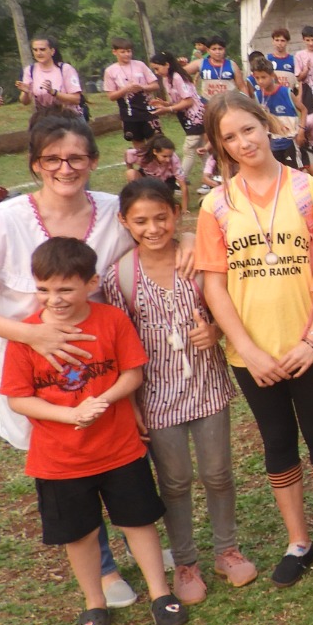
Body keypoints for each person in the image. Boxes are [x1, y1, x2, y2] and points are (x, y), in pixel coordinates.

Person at [0, 115, 167, 607]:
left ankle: (142, 546)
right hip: (37, 367)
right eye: (53, 158)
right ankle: (101, 571)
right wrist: (31, 335)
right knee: (67, 469)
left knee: (120, 460)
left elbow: (155, 240)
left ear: (93, 161)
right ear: (35, 164)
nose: (65, 167)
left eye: (76, 157)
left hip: (111, 361)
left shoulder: (111, 211)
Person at [0, 236, 188, 625]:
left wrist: (97, 402)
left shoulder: (111, 321)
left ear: (91, 283)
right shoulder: (26, 336)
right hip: (59, 461)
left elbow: (132, 373)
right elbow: (18, 398)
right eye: (44, 289)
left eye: (66, 288)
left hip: (119, 449)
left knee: (137, 521)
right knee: (80, 534)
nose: (55, 299)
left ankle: (161, 592)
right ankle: (94, 602)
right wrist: (69, 414)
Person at [195, 92, 313, 587]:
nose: (243, 142)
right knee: (277, 443)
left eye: (248, 129)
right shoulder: (216, 205)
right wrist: (249, 350)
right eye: (230, 138)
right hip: (252, 354)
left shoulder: (310, 192)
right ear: (219, 148)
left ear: (266, 126)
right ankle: (297, 541)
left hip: (309, 346)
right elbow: (214, 284)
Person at [103, 178, 254, 603]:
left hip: (207, 387)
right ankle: (186, 562)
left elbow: (223, 308)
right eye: (141, 221)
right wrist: (131, 403)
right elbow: (119, 344)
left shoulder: (196, 261)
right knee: (175, 481)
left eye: (161, 217)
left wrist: (214, 331)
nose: (153, 228)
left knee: (218, 473)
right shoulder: (120, 277)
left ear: (176, 214)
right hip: (157, 397)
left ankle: (226, 549)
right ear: (125, 223)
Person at [147, 51, 207, 160]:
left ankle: (181, 176)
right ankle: (212, 172)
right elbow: (177, 102)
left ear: (167, 65)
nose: (156, 72)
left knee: (189, 150)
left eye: (157, 68)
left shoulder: (177, 77)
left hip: (195, 117)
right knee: (201, 148)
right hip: (185, 117)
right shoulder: (166, 79)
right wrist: (164, 104)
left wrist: (168, 108)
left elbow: (189, 101)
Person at [104, 37, 161, 144]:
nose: (127, 54)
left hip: (147, 110)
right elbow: (111, 96)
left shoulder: (140, 65)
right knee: (138, 143)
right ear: (114, 52)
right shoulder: (110, 71)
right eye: (123, 52)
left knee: (156, 141)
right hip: (129, 113)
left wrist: (142, 87)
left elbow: (155, 85)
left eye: (129, 51)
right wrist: (125, 89)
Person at [251, 56, 304, 169]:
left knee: (293, 172)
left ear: (272, 75)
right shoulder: (257, 96)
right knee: (275, 172)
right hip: (271, 143)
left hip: (290, 140)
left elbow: (304, 110)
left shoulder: (286, 92)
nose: (260, 81)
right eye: (257, 78)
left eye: (264, 77)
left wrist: (302, 130)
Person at [17, 37, 83, 122]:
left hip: (69, 118)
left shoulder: (65, 69)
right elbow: (25, 102)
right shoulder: (29, 70)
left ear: (52, 51)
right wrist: (26, 92)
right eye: (35, 50)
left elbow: (76, 99)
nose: (39, 53)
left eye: (42, 49)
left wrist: (54, 92)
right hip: (45, 120)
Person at [199, 35, 242, 102]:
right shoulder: (201, 63)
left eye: (220, 49)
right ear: (208, 50)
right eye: (214, 49)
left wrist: (246, 105)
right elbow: (181, 72)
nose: (217, 52)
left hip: (228, 104)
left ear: (224, 50)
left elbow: (242, 87)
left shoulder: (232, 65)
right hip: (207, 104)